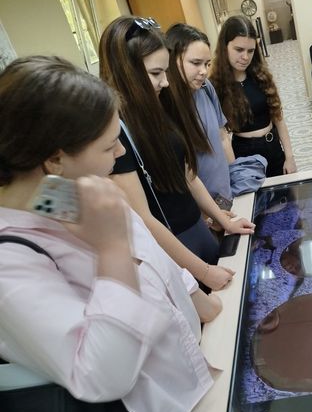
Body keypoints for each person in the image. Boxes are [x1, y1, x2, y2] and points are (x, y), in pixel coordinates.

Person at [0, 55, 221, 412]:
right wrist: (112, 250)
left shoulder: (63, 192)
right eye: (108, 146)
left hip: (190, 377)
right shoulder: (10, 259)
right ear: (55, 159)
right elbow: (101, 373)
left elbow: (148, 255)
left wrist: (199, 300)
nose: (120, 153)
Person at [98, 16, 254, 290]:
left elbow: (187, 175)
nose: (166, 82)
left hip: (197, 229)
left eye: (166, 72)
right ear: (127, 71)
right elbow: (144, 219)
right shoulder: (116, 131)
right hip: (172, 247)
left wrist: (222, 219)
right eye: (156, 73)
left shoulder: (158, 106)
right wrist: (204, 272)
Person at [210, 15, 297, 178]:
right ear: (224, 47)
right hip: (244, 155)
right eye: (239, 50)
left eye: (250, 51)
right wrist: (235, 172)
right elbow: (221, 137)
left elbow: (278, 117)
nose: (245, 57)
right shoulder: (216, 86)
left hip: (273, 147)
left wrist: (290, 157)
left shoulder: (261, 75)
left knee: (286, 194)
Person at [164, 23, 234, 204]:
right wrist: (209, 213)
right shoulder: (165, 107)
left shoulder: (205, 87)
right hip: (203, 208)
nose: (204, 71)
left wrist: (234, 177)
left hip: (227, 194)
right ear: (171, 59)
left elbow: (223, 137)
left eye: (207, 64)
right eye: (196, 63)